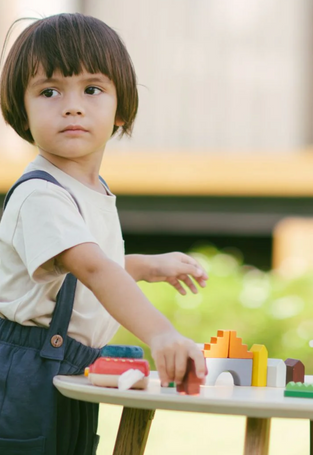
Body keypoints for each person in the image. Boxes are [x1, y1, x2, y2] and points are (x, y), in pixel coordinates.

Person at [0, 13, 208, 455]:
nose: (72, 105)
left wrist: (148, 265)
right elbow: (92, 268)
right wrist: (160, 333)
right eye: (49, 91)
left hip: (63, 365)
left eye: (92, 89)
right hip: (23, 373)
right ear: (21, 108)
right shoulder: (41, 194)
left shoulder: (91, 191)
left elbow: (76, 274)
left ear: (121, 108)